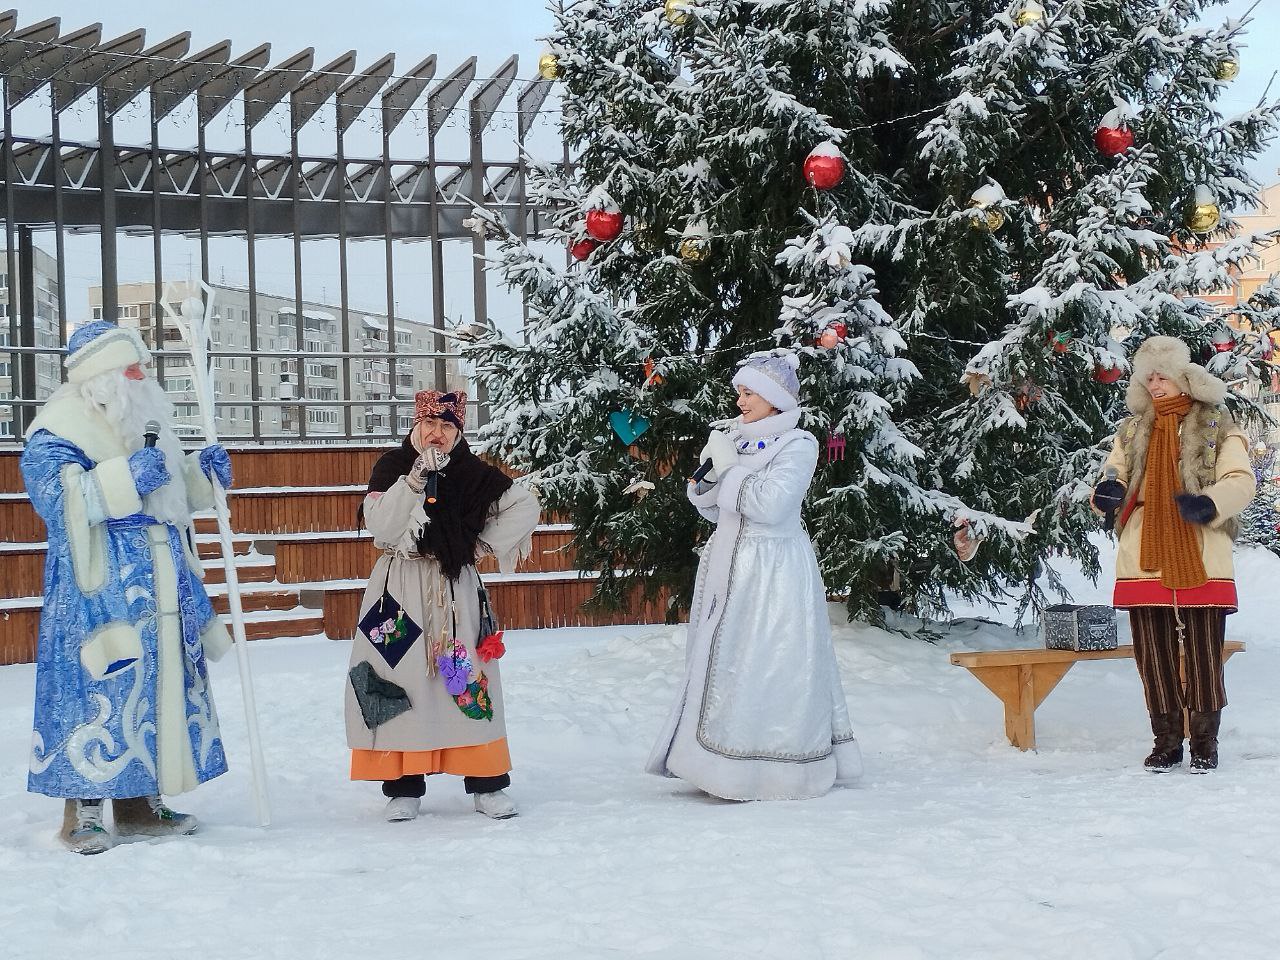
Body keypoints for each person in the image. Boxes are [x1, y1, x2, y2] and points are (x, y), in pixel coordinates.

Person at [20, 321, 235, 854]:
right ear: (100, 378)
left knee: (156, 690)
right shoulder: (57, 431)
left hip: (162, 584)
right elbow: (58, 502)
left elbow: (171, 492)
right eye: (131, 368)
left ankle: (141, 802)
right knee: (101, 690)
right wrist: (124, 480)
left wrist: (202, 477)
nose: (142, 377)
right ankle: (83, 810)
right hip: (96, 594)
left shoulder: (146, 419)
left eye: (142, 367)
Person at [646, 351, 862, 800]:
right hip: (728, 565)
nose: (740, 401)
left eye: (749, 393)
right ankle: (716, 764)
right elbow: (707, 505)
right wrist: (704, 482)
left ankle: (775, 769)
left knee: (770, 662)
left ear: (774, 399)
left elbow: (771, 505)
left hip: (774, 571)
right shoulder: (735, 439)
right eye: (739, 392)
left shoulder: (799, 444)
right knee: (728, 662)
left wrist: (726, 472)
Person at [345, 389, 540, 821]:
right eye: (430, 425)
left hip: (454, 588)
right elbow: (381, 526)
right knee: (397, 676)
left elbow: (525, 505)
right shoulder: (392, 467)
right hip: (398, 588)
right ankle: (402, 787)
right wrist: (413, 481)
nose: (437, 434)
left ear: (457, 432)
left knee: (467, 675)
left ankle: (487, 784)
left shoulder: (473, 473)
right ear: (417, 425)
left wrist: (481, 544)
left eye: (447, 426)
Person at [1091, 336, 1255, 773]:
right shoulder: (1131, 429)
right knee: (1152, 652)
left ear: (1184, 376)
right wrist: (1107, 491)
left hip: (1199, 547)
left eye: (1163, 375)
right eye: (1149, 377)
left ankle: (1205, 743)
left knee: (1203, 651)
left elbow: (1240, 478)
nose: (1156, 383)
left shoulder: (1216, 423)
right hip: (1144, 550)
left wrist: (1211, 502)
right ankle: (1166, 742)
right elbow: (1114, 471)